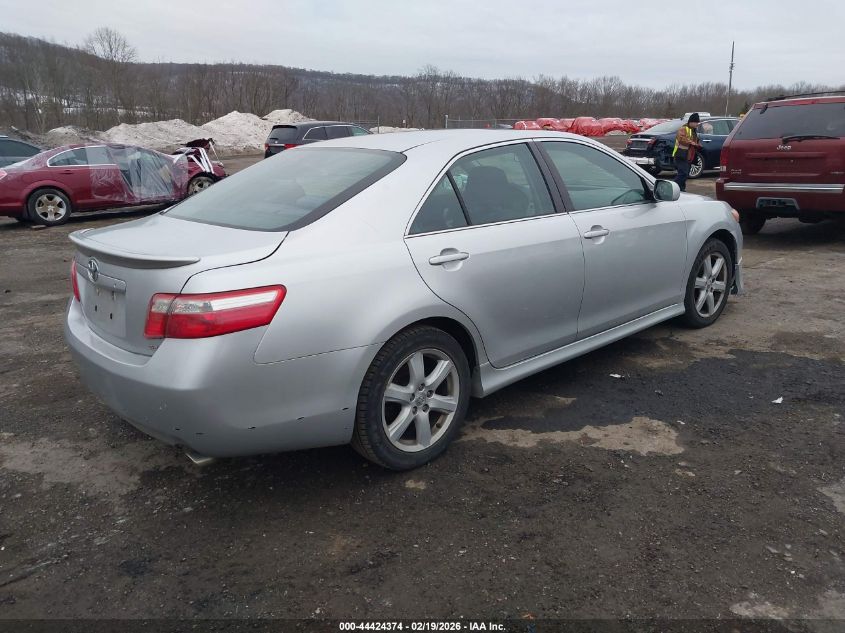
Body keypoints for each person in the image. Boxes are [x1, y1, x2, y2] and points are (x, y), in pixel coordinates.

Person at [673, 112, 702, 191]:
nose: (697, 124)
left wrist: (699, 145)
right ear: (691, 122)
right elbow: (681, 139)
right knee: (683, 173)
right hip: (681, 154)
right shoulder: (683, 129)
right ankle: (671, 187)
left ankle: (681, 189)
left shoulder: (693, 130)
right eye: (696, 122)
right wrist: (692, 143)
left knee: (685, 174)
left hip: (689, 155)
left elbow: (696, 140)